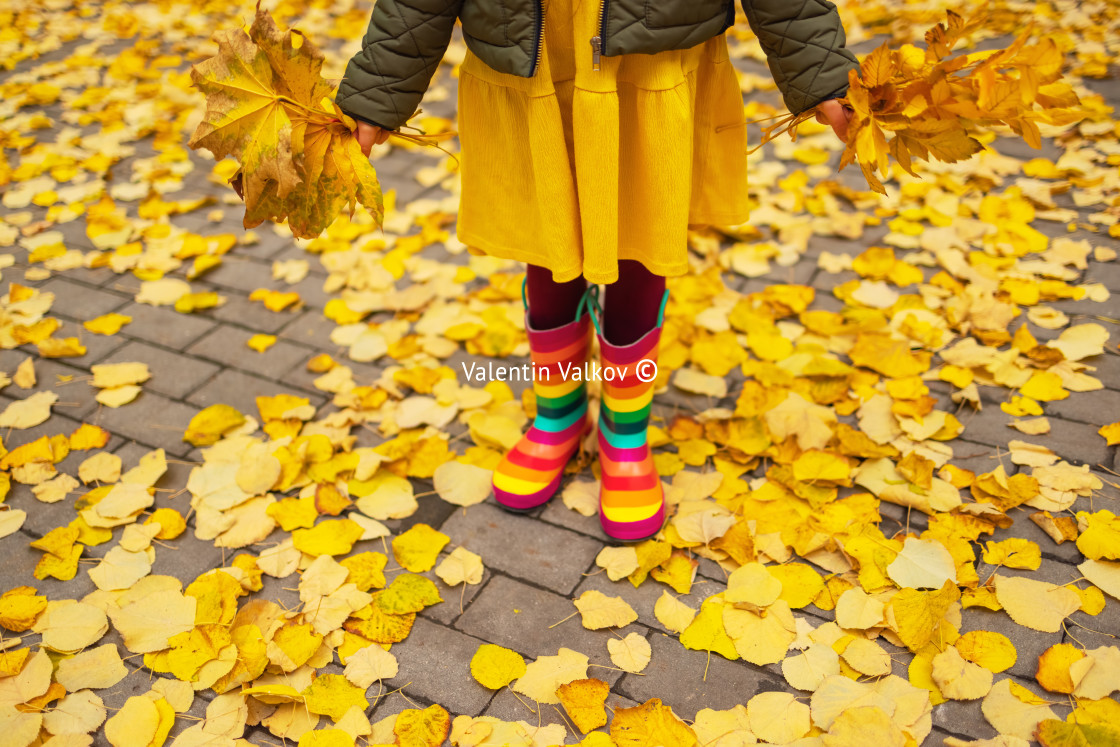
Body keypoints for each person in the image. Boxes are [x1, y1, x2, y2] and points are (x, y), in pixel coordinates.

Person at [337, 0, 859, 541]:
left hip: (650, 46)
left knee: (641, 232)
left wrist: (817, 67)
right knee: (547, 235)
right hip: (532, 46)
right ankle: (559, 414)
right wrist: (381, 87)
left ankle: (624, 430)